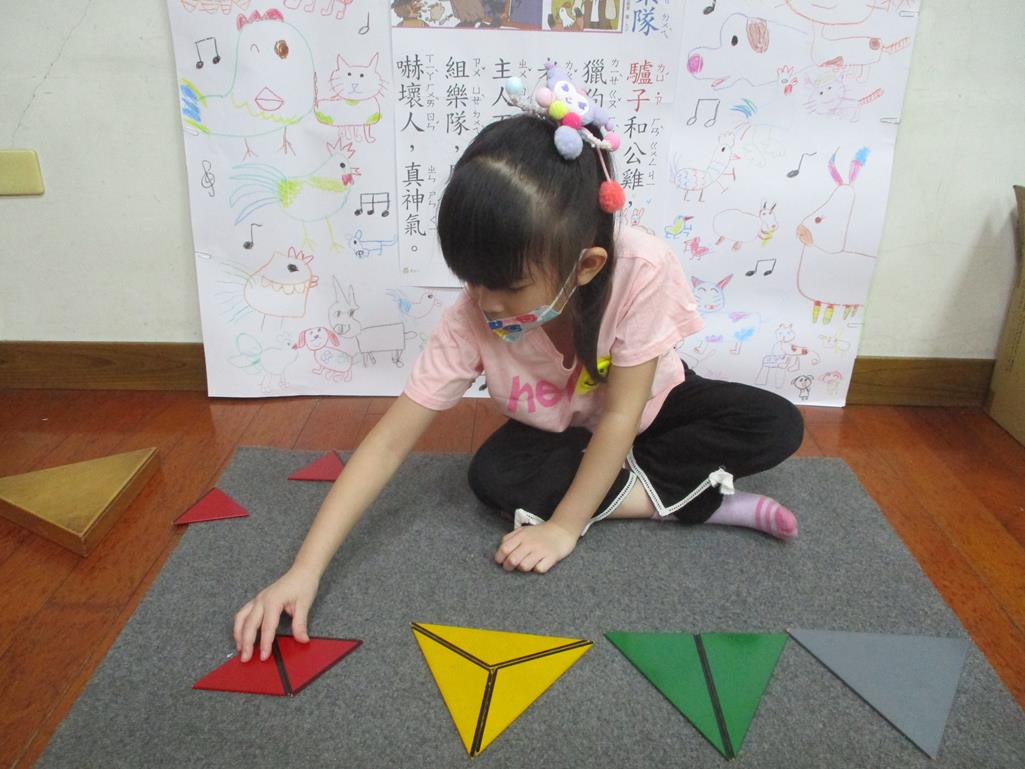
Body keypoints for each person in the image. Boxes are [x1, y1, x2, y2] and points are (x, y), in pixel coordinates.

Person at [233, 75, 803, 664]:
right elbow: (388, 443)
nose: (485, 302)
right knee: (493, 478)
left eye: (506, 286)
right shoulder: (472, 316)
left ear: (587, 266)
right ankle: (696, 497)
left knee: (775, 423)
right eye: (471, 279)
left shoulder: (643, 268)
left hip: (645, 410)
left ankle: (652, 493)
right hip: (563, 432)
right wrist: (304, 570)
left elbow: (622, 416)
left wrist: (564, 528)